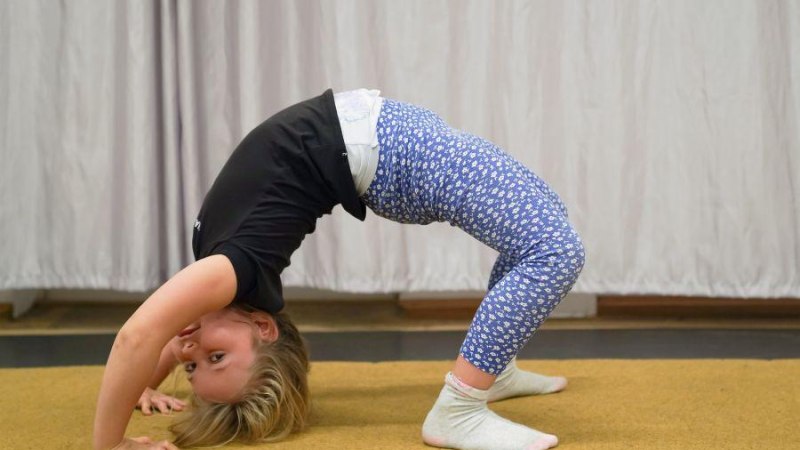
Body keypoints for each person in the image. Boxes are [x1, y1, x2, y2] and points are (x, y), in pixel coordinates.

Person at [92, 89, 585, 450]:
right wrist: (148, 384)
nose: (193, 348)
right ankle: (458, 409)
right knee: (554, 250)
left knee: (546, 221)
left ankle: (493, 373)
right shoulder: (232, 278)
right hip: (392, 155)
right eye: (211, 358)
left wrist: (126, 415)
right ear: (263, 327)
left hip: (382, 145)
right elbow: (155, 338)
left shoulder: (223, 275)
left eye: (200, 364)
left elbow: (144, 339)